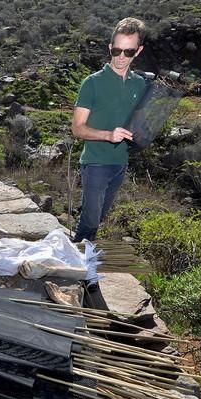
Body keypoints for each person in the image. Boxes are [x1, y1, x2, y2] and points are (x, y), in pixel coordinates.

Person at [71, 17, 147, 242]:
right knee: (90, 222)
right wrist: (108, 135)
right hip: (95, 163)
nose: (121, 57)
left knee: (98, 218)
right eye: (117, 51)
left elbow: (137, 121)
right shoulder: (92, 83)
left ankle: (80, 262)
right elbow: (77, 128)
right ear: (110, 48)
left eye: (129, 52)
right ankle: (83, 272)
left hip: (120, 164)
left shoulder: (140, 84)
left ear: (138, 51)